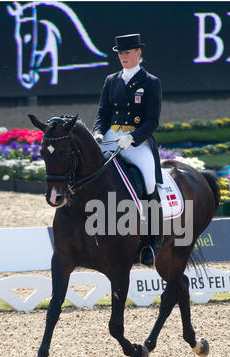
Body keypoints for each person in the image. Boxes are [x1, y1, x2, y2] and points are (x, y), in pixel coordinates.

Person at [92, 33, 163, 266]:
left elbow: (152, 121)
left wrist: (133, 137)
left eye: (128, 53)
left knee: (150, 183)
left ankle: (153, 241)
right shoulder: (111, 80)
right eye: (121, 53)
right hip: (111, 137)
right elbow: (102, 113)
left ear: (138, 53)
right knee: (86, 171)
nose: (124, 57)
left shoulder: (150, 82)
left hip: (136, 141)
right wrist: (99, 132)